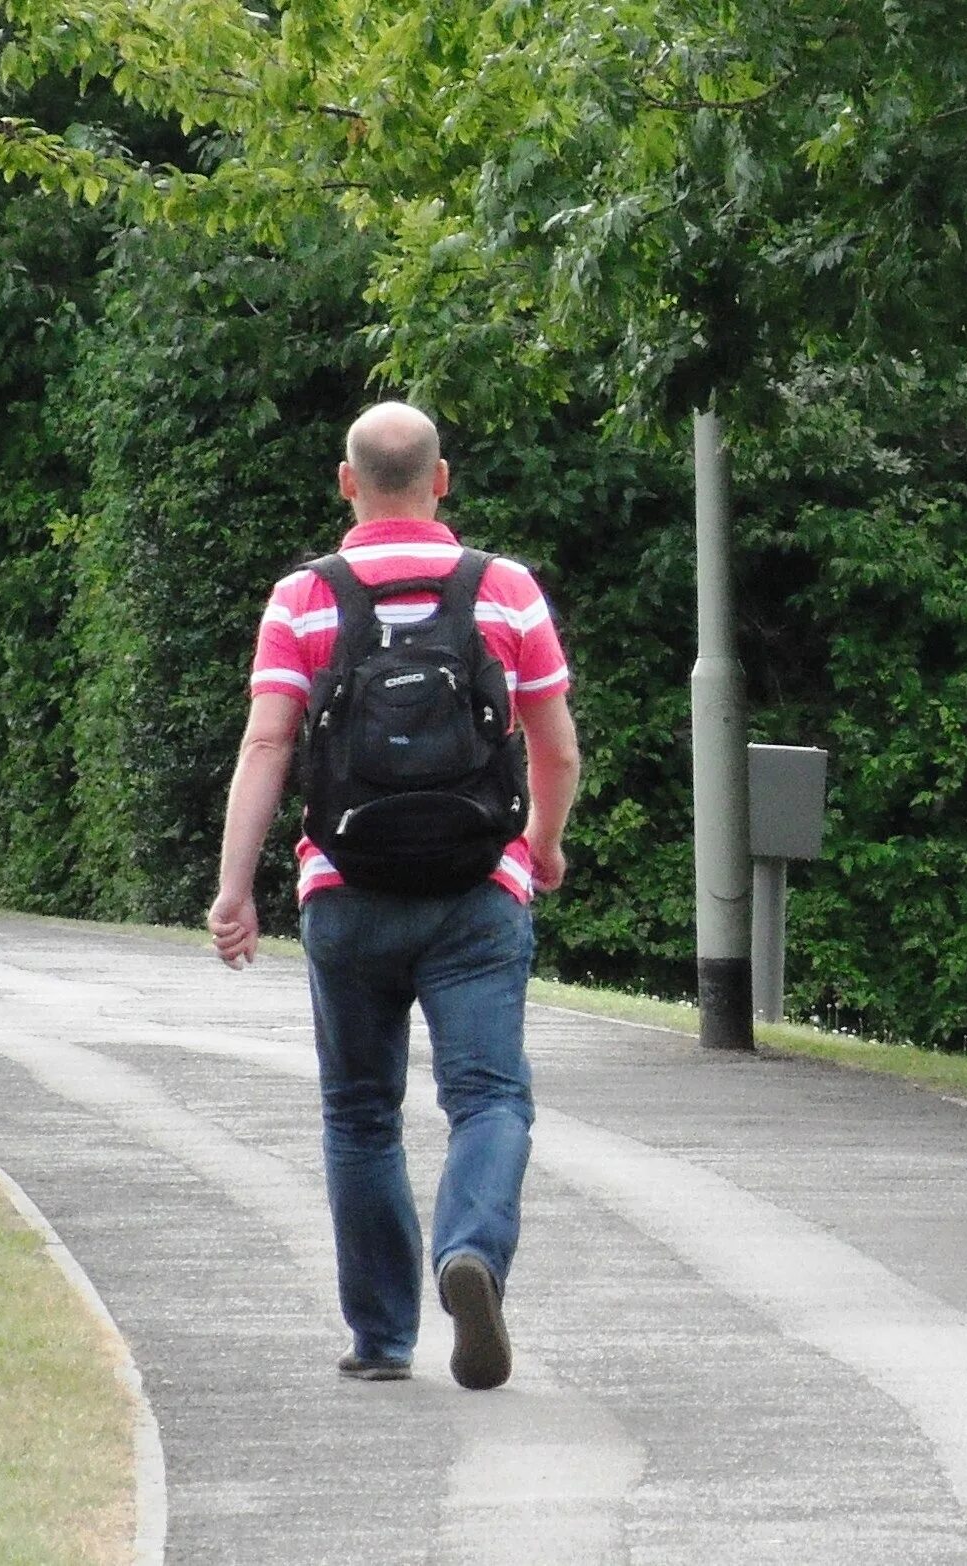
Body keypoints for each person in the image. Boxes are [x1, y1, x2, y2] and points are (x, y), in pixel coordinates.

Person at [207, 401, 582, 1390]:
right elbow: (554, 745)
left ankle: (380, 1337)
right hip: (476, 891)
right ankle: (469, 1251)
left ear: (347, 483)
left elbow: (266, 743)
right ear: (440, 479)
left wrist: (234, 888)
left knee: (361, 1113)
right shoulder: (503, 591)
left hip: (348, 887)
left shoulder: (303, 600)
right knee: (489, 1097)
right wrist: (539, 844)